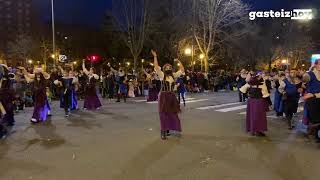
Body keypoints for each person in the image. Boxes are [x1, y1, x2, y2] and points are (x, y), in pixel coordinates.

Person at [152, 50, 185, 140]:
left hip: (171, 96)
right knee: (163, 114)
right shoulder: (162, 75)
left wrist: (178, 61)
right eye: (166, 67)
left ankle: (168, 129)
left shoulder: (174, 75)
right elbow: (156, 67)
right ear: (164, 69)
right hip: (163, 96)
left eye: (169, 67)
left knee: (172, 113)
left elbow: (182, 70)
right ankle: (163, 131)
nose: (168, 68)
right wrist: (155, 56)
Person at [240, 72, 269, 136]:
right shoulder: (262, 84)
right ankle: (259, 130)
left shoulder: (249, 83)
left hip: (251, 101)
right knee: (260, 117)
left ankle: (252, 130)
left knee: (251, 116)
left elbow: (242, 90)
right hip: (259, 101)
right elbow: (265, 95)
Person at [302, 60, 320, 139]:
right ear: (315, 65)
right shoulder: (309, 74)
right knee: (315, 118)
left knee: (317, 119)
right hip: (312, 100)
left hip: (316, 97)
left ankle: (313, 132)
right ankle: (314, 134)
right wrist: (307, 91)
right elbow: (303, 83)